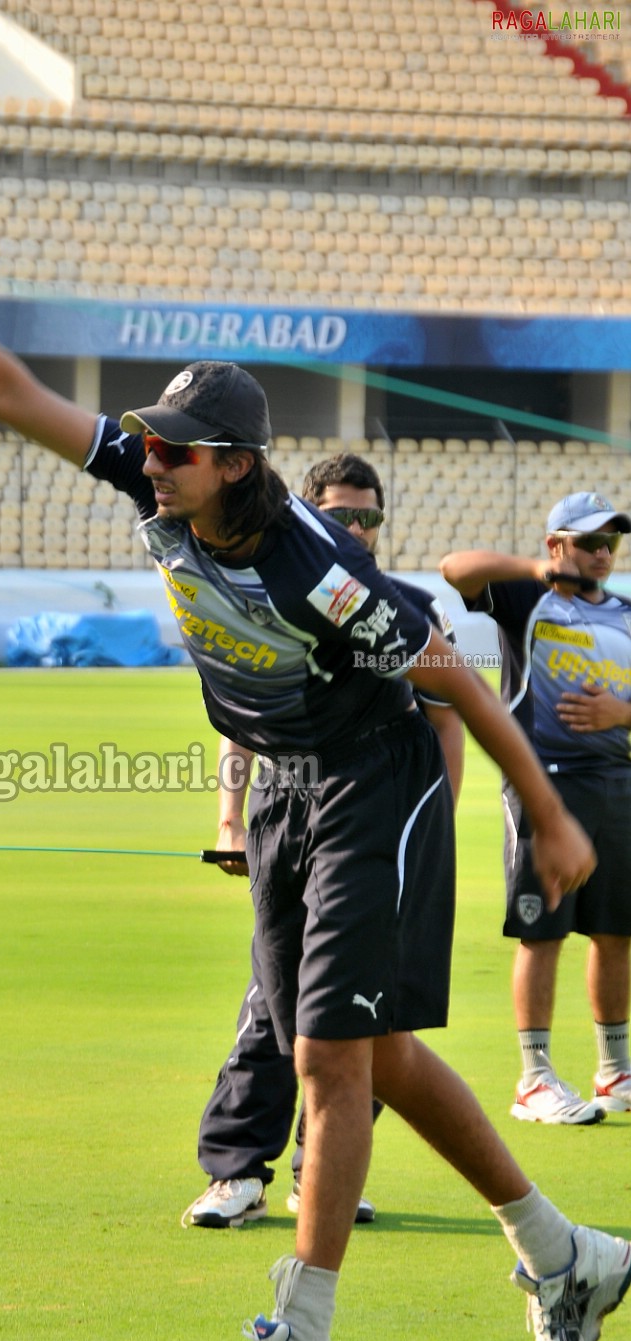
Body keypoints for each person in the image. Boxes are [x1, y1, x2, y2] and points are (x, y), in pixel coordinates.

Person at [0, 221, 628, 1341]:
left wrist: (552, 816)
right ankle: (566, 1254)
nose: (152, 462)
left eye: (178, 451)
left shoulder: (322, 572)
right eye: (150, 441)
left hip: (376, 779)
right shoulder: (155, 472)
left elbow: (455, 682)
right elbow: (9, 392)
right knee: (381, 1055)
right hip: (283, 783)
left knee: (325, 1059)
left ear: (237, 465)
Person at [184, 453, 465, 1230]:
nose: (356, 529)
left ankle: (324, 1168)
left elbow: (446, 717)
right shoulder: (264, 592)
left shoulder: (406, 607)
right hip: (285, 798)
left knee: (362, 1008)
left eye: (367, 516)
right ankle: (234, 1172)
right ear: (308, 515)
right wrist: (228, 819)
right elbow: (238, 721)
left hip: (379, 806)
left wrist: (428, 825)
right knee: (271, 1004)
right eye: (340, 515)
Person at [441, 492, 631, 1125]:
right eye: (588, 542)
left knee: (616, 933)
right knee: (542, 932)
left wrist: (621, 713)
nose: (602, 554)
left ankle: (616, 1072)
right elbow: (454, 567)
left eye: (611, 542)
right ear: (557, 545)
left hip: (617, 785)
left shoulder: (628, 613)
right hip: (543, 791)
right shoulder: (527, 599)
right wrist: (531, 570)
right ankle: (535, 1079)